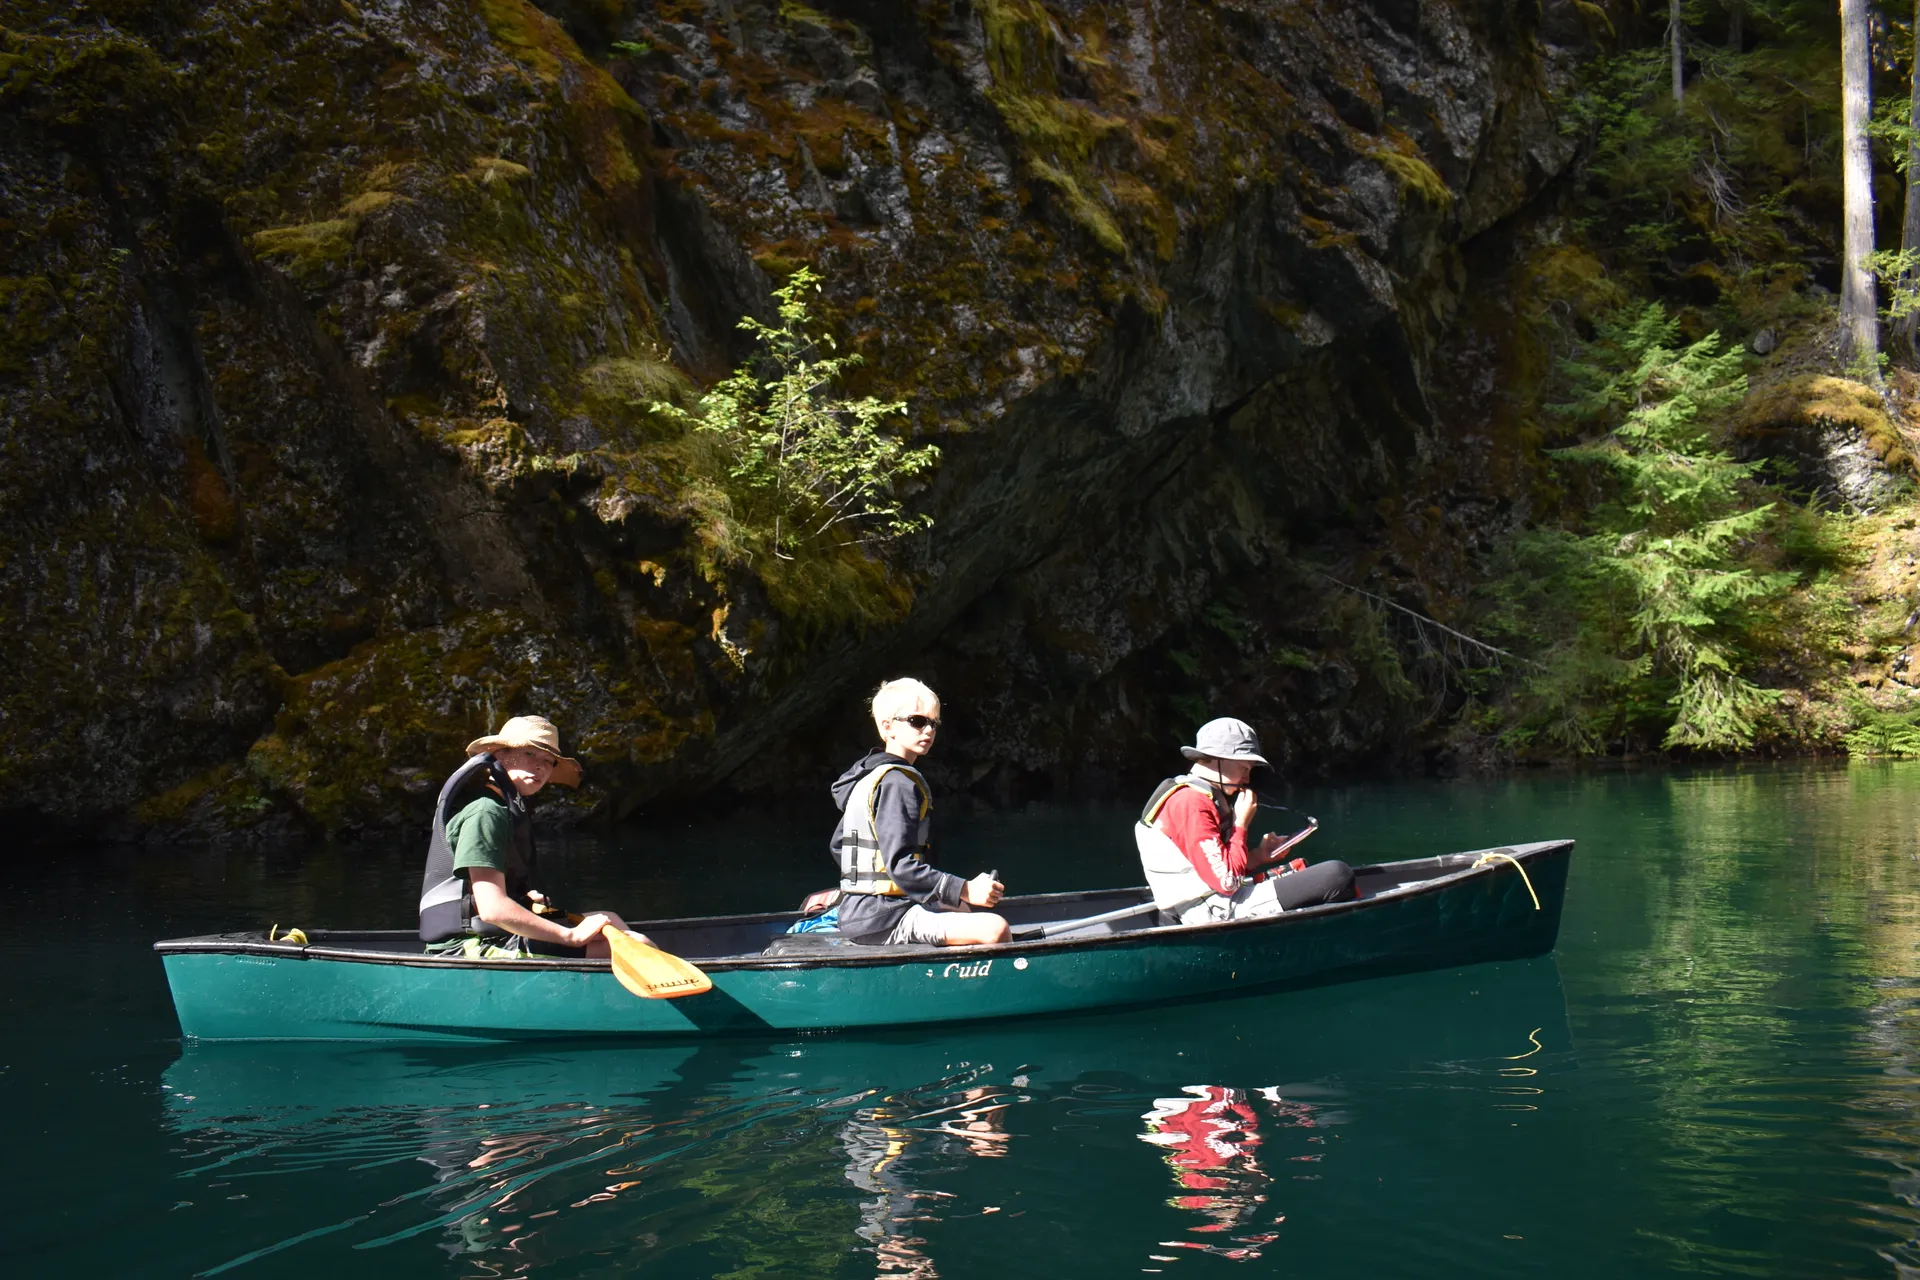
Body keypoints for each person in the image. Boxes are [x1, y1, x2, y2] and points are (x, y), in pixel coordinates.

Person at [417, 714, 639, 957]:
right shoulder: (486, 813)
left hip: (496, 933)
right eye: (530, 754)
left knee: (610, 919)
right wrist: (570, 936)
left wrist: (522, 900)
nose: (541, 767)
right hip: (468, 945)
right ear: (500, 754)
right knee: (635, 947)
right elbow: (492, 910)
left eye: (549, 760)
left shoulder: (504, 809)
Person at [828, 678, 1008, 946]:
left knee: (960, 909)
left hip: (861, 911)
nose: (928, 730)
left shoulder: (870, 777)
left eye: (933, 723)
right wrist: (966, 889)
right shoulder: (897, 783)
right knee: (994, 928)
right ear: (887, 727)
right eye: (916, 721)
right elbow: (901, 865)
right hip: (883, 917)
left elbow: (838, 846)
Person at [1135, 717, 1354, 924]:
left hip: (1215, 902)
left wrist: (1259, 856)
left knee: (1314, 873)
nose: (1247, 779)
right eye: (1244, 768)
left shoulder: (1197, 796)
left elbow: (1215, 870)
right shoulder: (1191, 803)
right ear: (1219, 760)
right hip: (1212, 911)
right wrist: (1241, 823)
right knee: (1337, 874)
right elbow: (1227, 883)